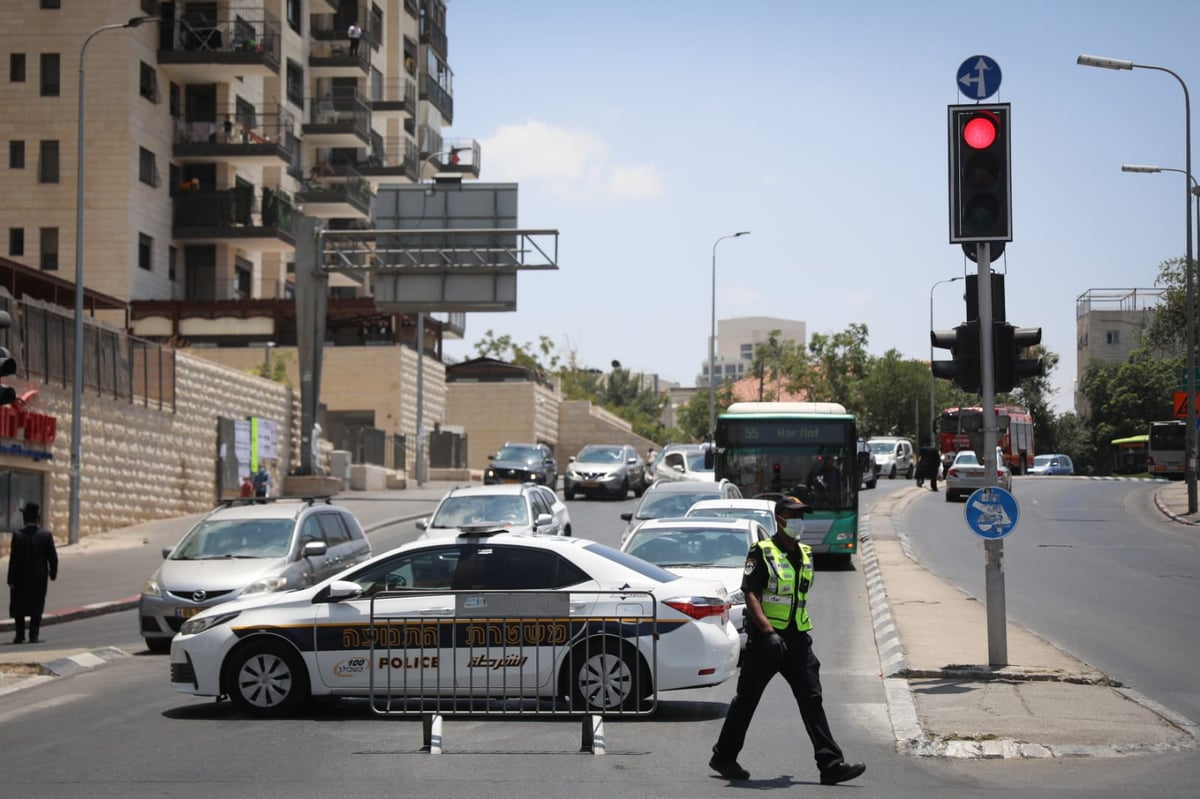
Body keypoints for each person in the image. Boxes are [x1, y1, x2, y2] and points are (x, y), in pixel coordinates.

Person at [709, 496, 865, 786]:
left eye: (801, 515)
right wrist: (768, 632)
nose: (798, 521)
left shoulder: (805, 552)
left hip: (797, 639)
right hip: (767, 640)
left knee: (812, 699)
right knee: (747, 701)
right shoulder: (762, 551)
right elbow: (751, 593)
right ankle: (724, 757)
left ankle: (830, 764)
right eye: (793, 515)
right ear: (779, 518)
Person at [7, 503, 58, 644]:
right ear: (37, 519)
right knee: (37, 605)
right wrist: (53, 573)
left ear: (24, 519)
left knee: (19, 606)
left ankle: (19, 635)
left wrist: (11, 580)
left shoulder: (17, 536)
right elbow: (53, 558)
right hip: (39, 577)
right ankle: (33, 635)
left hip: (20, 578)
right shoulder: (46, 535)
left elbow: (14, 560)